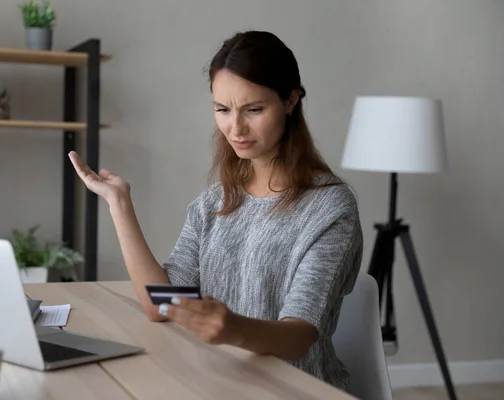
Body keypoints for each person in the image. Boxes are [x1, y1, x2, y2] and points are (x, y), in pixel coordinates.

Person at [68, 30, 363, 392]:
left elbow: (300, 336)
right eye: (223, 110)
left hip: (295, 390)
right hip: (217, 384)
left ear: (290, 101)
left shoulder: (330, 207)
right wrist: (119, 204)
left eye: (254, 110)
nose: (235, 128)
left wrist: (232, 328)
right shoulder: (214, 203)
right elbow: (161, 305)